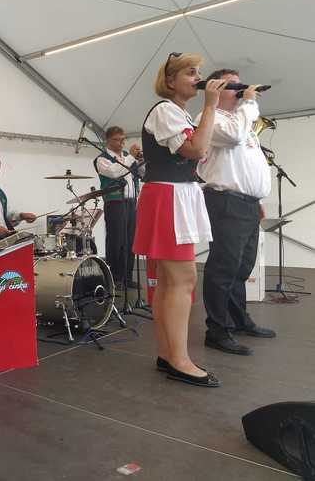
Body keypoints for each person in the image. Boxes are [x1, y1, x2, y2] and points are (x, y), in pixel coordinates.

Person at [133, 52, 227, 388]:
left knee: (170, 281)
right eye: (190, 72)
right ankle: (180, 360)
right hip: (168, 196)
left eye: (198, 72)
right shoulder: (165, 110)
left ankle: (168, 353)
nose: (198, 78)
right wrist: (212, 105)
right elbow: (196, 150)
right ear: (170, 80)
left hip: (176, 194)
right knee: (183, 279)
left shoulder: (178, 113)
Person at [196, 69, 276, 355]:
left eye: (241, 84)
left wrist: (255, 196)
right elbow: (233, 138)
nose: (241, 89)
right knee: (223, 267)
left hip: (247, 203)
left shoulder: (240, 120)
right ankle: (217, 331)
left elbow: (244, 161)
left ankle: (238, 320)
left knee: (242, 267)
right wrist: (250, 102)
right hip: (225, 201)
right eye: (234, 85)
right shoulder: (210, 118)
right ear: (216, 89)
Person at [93, 126, 145, 289]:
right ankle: (114, 278)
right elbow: (115, 172)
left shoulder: (128, 157)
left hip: (131, 202)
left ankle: (127, 277)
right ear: (108, 140)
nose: (122, 143)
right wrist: (131, 158)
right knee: (116, 241)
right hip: (115, 202)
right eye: (117, 140)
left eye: (123, 139)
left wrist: (141, 160)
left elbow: (143, 174)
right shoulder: (102, 159)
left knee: (130, 240)